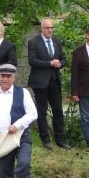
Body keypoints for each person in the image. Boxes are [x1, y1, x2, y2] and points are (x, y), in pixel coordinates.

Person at [27, 18, 71, 150]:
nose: (50, 30)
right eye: (47, 28)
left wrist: (60, 63)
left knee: (58, 110)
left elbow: (63, 59)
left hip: (55, 80)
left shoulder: (56, 41)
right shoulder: (33, 42)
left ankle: (60, 139)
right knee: (42, 111)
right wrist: (50, 63)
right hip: (40, 82)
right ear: (42, 28)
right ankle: (45, 140)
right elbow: (32, 61)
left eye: (52, 27)